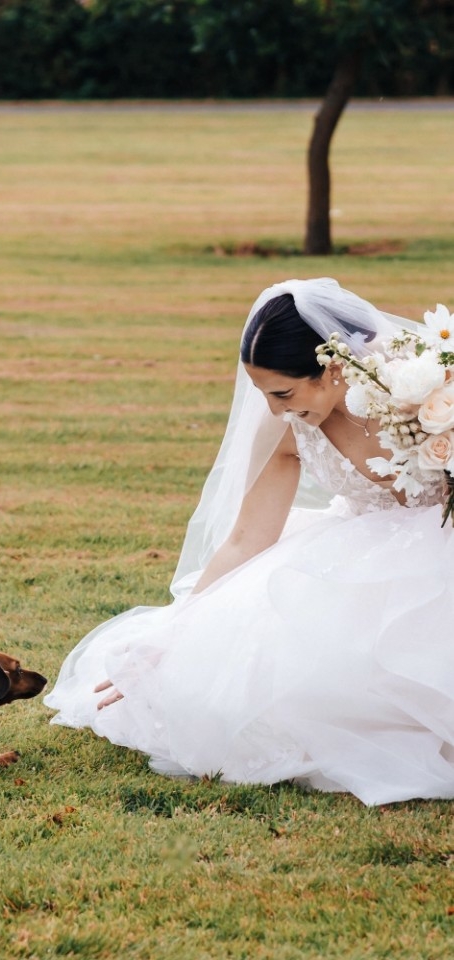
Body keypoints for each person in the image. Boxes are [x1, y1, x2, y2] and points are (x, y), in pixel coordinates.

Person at [44, 277, 454, 806]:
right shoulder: (286, 427)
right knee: (271, 692)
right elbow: (246, 539)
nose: (276, 409)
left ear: (332, 367)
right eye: (263, 394)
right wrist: (174, 634)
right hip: (355, 560)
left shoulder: (425, 388)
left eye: (284, 392)